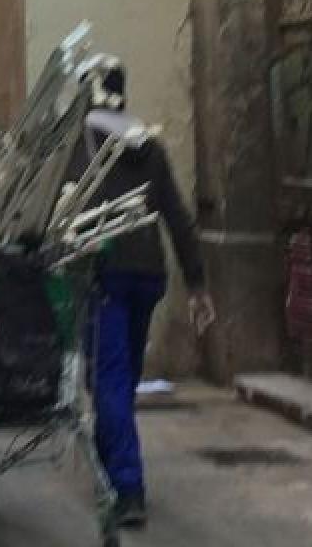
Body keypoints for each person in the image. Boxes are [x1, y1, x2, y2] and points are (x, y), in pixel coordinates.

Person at [70, 57, 214, 530]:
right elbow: (175, 213)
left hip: (106, 273)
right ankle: (111, 451)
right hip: (149, 274)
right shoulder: (147, 142)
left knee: (108, 377)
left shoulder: (85, 143)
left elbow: (63, 209)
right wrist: (196, 283)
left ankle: (127, 486)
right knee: (124, 372)